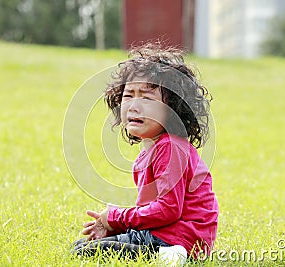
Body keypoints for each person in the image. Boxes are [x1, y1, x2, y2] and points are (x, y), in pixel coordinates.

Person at [72, 43, 219, 263]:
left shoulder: (170, 148)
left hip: (178, 237)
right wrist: (114, 229)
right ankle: (167, 254)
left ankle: (170, 255)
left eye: (147, 98)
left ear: (174, 109)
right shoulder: (154, 149)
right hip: (167, 234)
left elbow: (169, 210)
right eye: (128, 95)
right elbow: (152, 212)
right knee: (84, 246)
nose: (133, 106)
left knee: (83, 252)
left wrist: (115, 217)